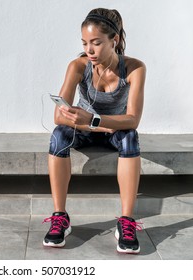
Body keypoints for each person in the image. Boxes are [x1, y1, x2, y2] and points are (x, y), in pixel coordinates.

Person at [42, 8, 146, 254]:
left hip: (114, 130)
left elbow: (132, 120)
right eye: (85, 43)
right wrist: (88, 123)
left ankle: (127, 221)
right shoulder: (78, 66)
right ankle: (60, 217)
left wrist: (95, 119)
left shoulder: (134, 68)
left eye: (96, 43)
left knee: (131, 138)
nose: (89, 50)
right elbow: (59, 115)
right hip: (85, 128)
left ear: (115, 40)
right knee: (58, 136)